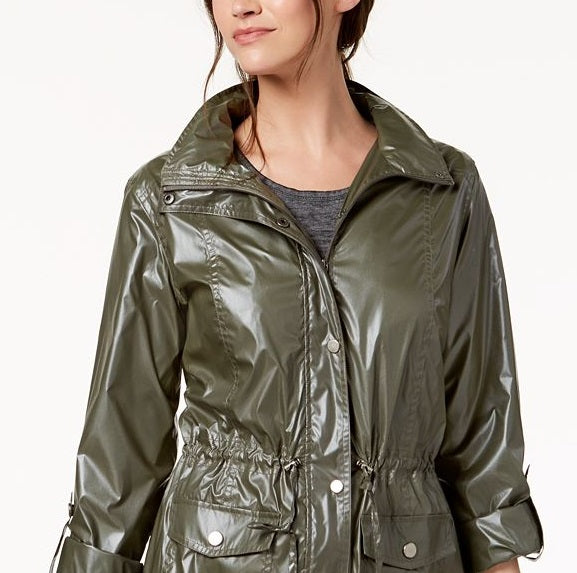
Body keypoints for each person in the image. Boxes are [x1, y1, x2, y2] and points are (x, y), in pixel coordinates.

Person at [51, 1, 545, 572]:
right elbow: (121, 449)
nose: (241, 5)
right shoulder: (172, 200)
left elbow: (481, 440)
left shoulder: (442, 191)